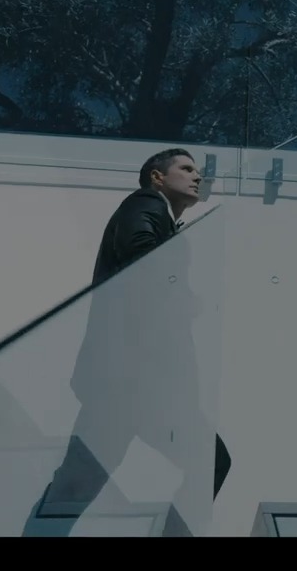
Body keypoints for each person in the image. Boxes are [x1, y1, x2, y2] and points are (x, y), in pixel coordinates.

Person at [23, 148, 231, 536]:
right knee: (208, 462)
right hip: (133, 383)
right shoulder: (145, 204)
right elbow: (142, 258)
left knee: (77, 484)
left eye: (197, 171)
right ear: (157, 177)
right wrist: (189, 299)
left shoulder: (161, 218)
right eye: (186, 168)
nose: (197, 176)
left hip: (130, 384)